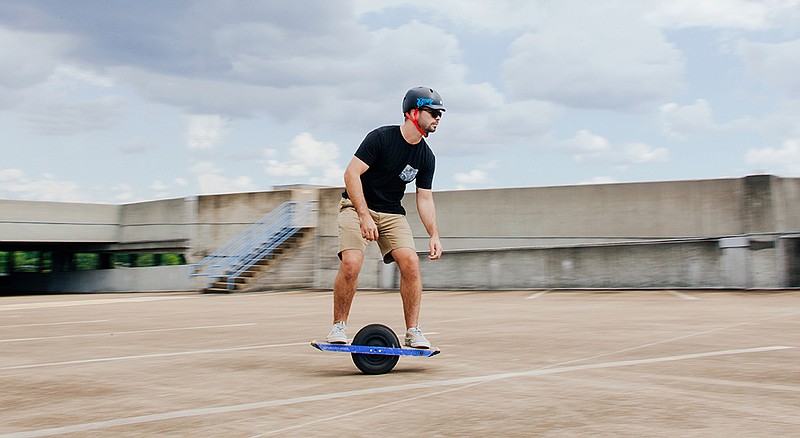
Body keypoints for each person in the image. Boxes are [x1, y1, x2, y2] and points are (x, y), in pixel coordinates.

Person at [325, 86, 445, 349]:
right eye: (433, 112)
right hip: (357, 207)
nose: (438, 118)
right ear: (413, 112)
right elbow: (351, 175)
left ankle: (413, 331)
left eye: (440, 114)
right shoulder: (381, 138)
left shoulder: (426, 156)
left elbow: (424, 198)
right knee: (352, 263)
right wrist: (364, 215)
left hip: (391, 212)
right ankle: (338, 326)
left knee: (411, 263)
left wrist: (433, 234)